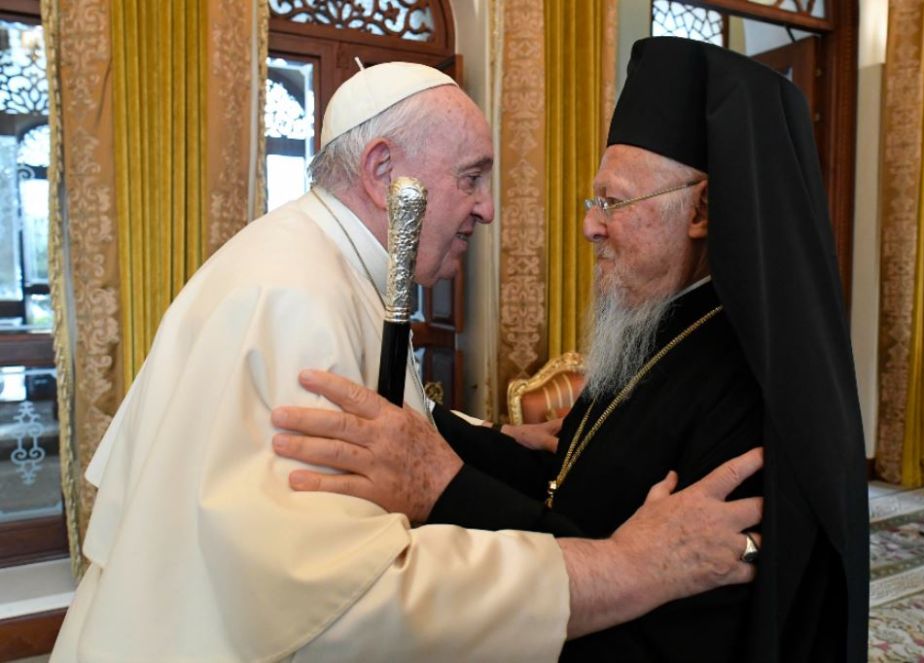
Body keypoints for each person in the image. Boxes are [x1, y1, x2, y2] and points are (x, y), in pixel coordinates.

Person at [51, 61, 764, 662]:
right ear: (383, 169)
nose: (487, 209)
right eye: (473, 176)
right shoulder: (297, 300)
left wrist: (479, 441)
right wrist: (626, 567)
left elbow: (385, 415)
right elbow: (353, 596)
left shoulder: (312, 262)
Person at [271, 38, 870, 662]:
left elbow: (680, 605)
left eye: (612, 202)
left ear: (702, 210)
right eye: (594, 201)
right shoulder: (647, 326)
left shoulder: (749, 389)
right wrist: (426, 425)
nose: (589, 224)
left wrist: (443, 483)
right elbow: (567, 486)